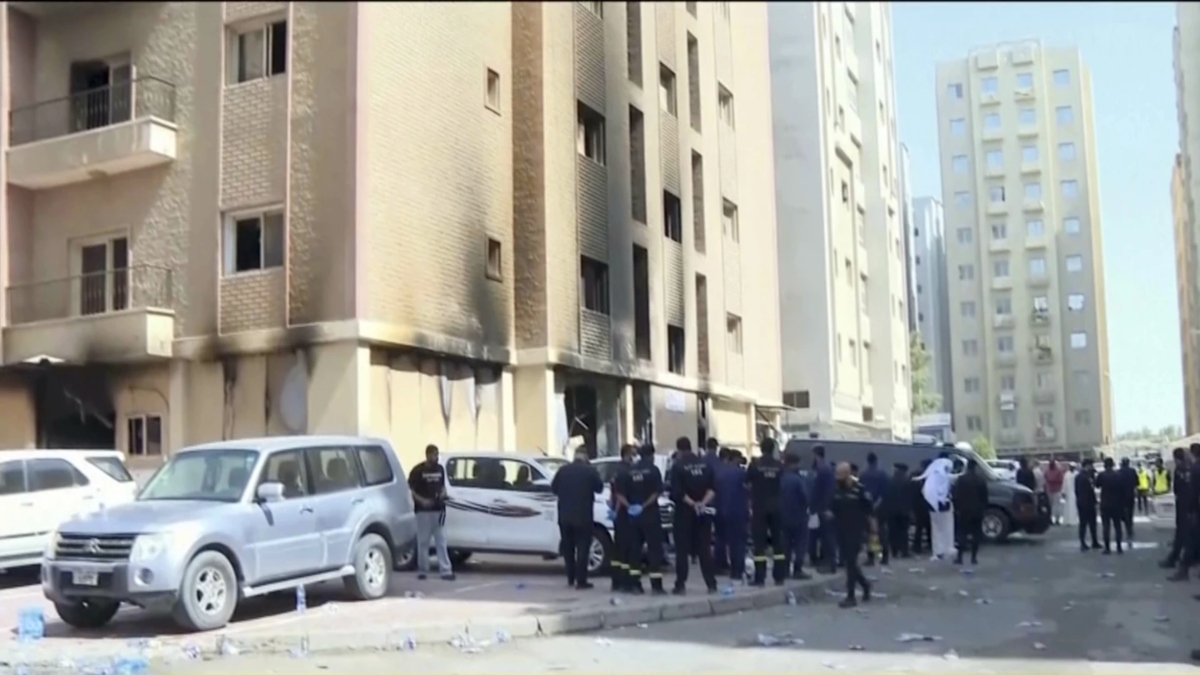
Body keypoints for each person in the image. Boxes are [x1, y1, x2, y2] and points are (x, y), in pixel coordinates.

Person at [669, 437, 718, 594]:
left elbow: (677, 492)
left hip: (684, 514)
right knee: (704, 549)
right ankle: (711, 584)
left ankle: (680, 585)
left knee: (682, 551)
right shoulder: (706, 465)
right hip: (703, 513)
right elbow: (712, 489)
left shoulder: (678, 467)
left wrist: (692, 504)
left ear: (679, 450)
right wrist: (702, 503)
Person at [551, 446, 604, 589]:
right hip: (583, 516)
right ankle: (581, 580)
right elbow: (599, 488)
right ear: (586, 456)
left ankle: (570, 578)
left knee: (568, 548)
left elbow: (554, 489)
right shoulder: (589, 471)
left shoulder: (563, 470)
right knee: (582, 549)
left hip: (564, 516)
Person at [618, 444, 667, 595]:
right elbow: (656, 493)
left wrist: (630, 507)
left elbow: (619, 494)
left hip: (632, 517)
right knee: (654, 550)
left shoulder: (628, 471)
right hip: (650, 515)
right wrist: (644, 506)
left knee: (634, 551)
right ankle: (656, 586)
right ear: (652, 455)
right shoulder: (653, 470)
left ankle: (635, 585)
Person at [408, 444, 455, 581]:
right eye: (434, 454)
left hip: (438, 510)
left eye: (437, 454)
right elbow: (411, 490)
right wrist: (421, 501)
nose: (436, 457)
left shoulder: (440, 469)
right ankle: (423, 570)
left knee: (441, 541)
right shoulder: (418, 471)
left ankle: (446, 571)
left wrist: (442, 494)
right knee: (423, 542)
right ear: (427, 455)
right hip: (423, 511)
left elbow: (442, 486)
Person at [831, 462, 874, 608]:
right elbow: (832, 507)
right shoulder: (836, 489)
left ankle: (851, 596)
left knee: (850, 563)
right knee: (850, 563)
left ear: (847, 474)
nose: (837, 478)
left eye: (840, 475)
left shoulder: (859, 490)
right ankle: (865, 585)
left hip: (856, 531)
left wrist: (872, 530)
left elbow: (869, 510)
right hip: (840, 530)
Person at [746, 438, 786, 586]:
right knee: (778, 543)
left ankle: (760, 578)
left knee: (759, 544)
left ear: (761, 449)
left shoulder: (755, 465)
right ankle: (780, 576)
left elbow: (747, 483)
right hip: (776, 507)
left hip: (759, 507)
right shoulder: (779, 466)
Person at [715, 447, 749, 582]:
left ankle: (722, 565)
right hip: (739, 511)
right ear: (736, 459)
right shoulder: (741, 473)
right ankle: (737, 570)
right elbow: (749, 490)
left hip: (722, 511)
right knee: (738, 543)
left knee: (723, 540)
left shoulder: (720, 474)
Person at [607, 444, 637, 592]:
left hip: (617, 514)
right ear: (627, 455)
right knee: (627, 549)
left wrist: (612, 510)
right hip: (625, 514)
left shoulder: (616, 471)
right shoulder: (627, 471)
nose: (634, 457)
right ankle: (626, 582)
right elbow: (620, 495)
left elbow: (612, 493)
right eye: (633, 454)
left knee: (618, 549)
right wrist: (618, 510)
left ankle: (616, 581)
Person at [780, 452, 812, 579]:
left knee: (785, 545)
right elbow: (805, 497)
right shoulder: (798, 480)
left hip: (783, 516)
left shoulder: (781, 478)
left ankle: (785, 570)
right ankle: (797, 570)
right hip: (799, 516)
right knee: (800, 544)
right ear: (794, 464)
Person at [916, 457, 955, 560]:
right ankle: (946, 548)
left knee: (937, 530)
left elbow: (927, 491)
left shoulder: (933, 476)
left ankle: (938, 551)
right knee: (946, 528)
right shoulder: (945, 477)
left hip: (934, 506)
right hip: (944, 505)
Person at [951, 459, 988, 565]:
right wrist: (983, 509)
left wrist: (956, 508)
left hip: (963, 511)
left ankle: (960, 557)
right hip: (977, 511)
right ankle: (974, 558)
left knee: (962, 534)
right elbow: (985, 497)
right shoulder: (981, 480)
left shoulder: (961, 479)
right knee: (976, 534)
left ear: (967, 467)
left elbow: (955, 495)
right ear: (975, 467)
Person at [1162, 447, 1193, 573]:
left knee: (1182, 533)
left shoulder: (1180, 469)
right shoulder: (1190, 468)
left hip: (1183, 505)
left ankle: (1177, 561)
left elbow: (1177, 489)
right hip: (1191, 505)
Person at [858, 452, 890, 566]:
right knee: (882, 532)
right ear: (876, 461)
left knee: (871, 533)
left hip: (868, 508)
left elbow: (861, 491)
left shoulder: (863, 474)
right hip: (880, 508)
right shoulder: (883, 474)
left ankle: (871, 557)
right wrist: (878, 503)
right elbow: (886, 492)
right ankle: (884, 556)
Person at [811, 445, 838, 574]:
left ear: (816, 455)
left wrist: (827, 508)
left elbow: (826, 491)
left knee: (828, 537)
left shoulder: (823, 469)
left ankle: (830, 564)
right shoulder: (825, 468)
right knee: (826, 537)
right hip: (822, 507)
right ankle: (829, 563)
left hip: (823, 508)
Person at [1095, 457, 1126, 555]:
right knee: (1117, 526)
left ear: (1104, 465)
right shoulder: (1119, 475)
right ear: (1113, 465)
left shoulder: (1101, 475)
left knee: (1106, 526)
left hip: (1105, 503)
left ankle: (1107, 548)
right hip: (1117, 504)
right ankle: (1119, 547)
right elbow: (1122, 489)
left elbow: (1097, 485)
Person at [703, 438, 725, 573]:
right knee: (720, 535)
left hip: (703, 502)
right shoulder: (719, 463)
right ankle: (719, 563)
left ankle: (706, 562)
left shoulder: (701, 461)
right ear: (716, 447)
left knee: (705, 535)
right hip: (717, 502)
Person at [881, 462, 912, 560]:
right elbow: (911, 498)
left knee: (892, 531)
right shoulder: (908, 481)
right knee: (904, 531)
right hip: (904, 511)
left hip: (891, 511)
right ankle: (904, 551)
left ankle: (894, 550)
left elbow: (885, 496)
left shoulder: (889, 481)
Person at [1074, 458, 1101, 551]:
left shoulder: (1085, 476)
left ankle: (1094, 541)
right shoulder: (1082, 477)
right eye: (1091, 465)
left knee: (1092, 523)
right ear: (1087, 466)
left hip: (1087, 502)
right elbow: (1082, 491)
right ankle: (1083, 543)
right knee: (1084, 524)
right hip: (1085, 503)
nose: (1092, 467)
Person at [911, 459, 933, 555]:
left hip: (918, 505)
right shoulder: (931, 475)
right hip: (927, 505)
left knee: (920, 527)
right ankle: (929, 544)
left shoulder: (916, 475)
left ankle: (917, 546)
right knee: (928, 526)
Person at [1117, 457, 1137, 540]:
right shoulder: (1132, 471)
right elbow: (1136, 482)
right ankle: (1130, 528)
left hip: (1121, 496)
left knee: (1124, 512)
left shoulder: (1119, 472)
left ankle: (1127, 526)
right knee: (1130, 512)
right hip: (1131, 494)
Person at [1044, 460, 1065, 526]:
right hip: (1051, 489)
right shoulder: (1049, 470)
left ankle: (1056, 519)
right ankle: (1052, 519)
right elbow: (1045, 478)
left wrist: (1050, 481)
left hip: (1056, 490)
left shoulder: (1058, 470)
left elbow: (1061, 480)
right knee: (1052, 505)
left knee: (1055, 505)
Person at [1063, 463, 1079, 527]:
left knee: (1075, 507)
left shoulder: (1077, 474)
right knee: (1068, 507)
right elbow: (1064, 483)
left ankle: (1074, 520)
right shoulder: (1066, 474)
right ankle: (1068, 520)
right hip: (1068, 492)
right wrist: (1063, 491)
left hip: (1075, 492)